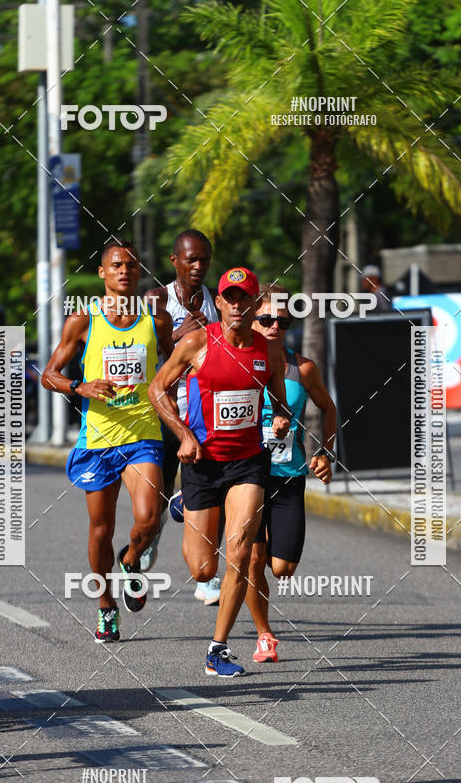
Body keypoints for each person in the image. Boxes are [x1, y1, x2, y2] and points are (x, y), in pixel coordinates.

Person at [150, 267, 291, 676]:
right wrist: (182, 436)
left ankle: (218, 648)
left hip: (248, 461)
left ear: (254, 304)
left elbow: (280, 402)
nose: (235, 304)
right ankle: (184, 506)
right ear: (222, 301)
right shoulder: (198, 343)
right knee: (202, 569)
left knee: (242, 552)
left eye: (243, 298)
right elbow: (157, 388)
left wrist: (280, 419)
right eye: (228, 297)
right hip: (201, 463)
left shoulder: (268, 353)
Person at [42, 239, 174, 642]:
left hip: (142, 434)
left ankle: (131, 559)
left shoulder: (157, 319)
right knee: (101, 530)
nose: (124, 271)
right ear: (102, 272)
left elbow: (176, 365)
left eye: (132, 266)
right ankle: (105, 605)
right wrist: (79, 387)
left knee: (149, 519)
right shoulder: (84, 320)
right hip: (99, 440)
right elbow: (49, 374)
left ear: (139, 272)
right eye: (117, 265)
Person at [244, 285, 337, 663]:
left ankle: (264, 552)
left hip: (289, 474)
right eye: (265, 319)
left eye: (282, 321)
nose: (273, 327)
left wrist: (325, 453)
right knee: (252, 559)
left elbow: (328, 409)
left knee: (281, 568)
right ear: (251, 319)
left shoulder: (303, 369)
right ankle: (264, 635)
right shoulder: (238, 364)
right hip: (247, 474)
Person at [142, 229, 222, 605]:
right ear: (175, 261)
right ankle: (147, 544)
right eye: (191, 259)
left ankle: (206, 579)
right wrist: (179, 336)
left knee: (211, 497)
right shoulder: (156, 299)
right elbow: (145, 354)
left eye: (204, 259)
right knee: (153, 504)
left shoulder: (216, 301)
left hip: (205, 416)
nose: (198, 266)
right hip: (167, 415)